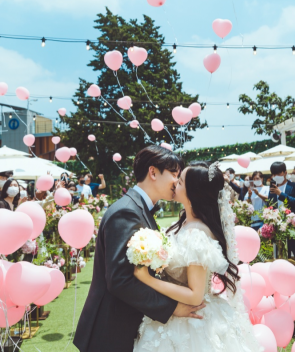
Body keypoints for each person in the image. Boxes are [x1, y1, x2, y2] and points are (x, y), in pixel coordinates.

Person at [74, 145, 203, 352]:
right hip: (111, 330)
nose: (177, 182)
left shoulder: (139, 209)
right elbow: (119, 280)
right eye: (173, 174)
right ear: (153, 172)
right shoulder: (126, 212)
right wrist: (172, 308)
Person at [133, 162, 261, 352]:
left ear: (194, 192)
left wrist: (148, 280)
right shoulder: (184, 224)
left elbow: (195, 296)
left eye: (181, 181)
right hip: (174, 313)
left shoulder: (197, 235)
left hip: (193, 321)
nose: (175, 183)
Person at [267, 162, 295, 281]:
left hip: (293, 228)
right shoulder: (272, 189)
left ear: (285, 173)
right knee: (280, 258)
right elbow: (271, 206)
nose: (276, 176)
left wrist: (281, 194)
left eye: (278, 173)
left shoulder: (294, 187)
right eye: (273, 174)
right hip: (278, 229)